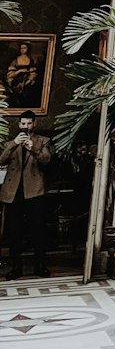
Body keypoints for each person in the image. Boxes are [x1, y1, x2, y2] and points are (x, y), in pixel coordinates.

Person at [0, 111, 52, 279]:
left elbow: (46, 160)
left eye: (29, 123)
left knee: (37, 229)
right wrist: (14, 144)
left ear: (34, 124)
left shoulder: (43, 141)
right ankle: (16, 267)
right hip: (13, 192)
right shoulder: (10, 143)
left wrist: (33, 148)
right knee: (14, 231)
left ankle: (39, 265)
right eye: (23, 124)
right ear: (18, 124)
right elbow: (0, 160)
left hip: (34, 191)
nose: (26, 127)